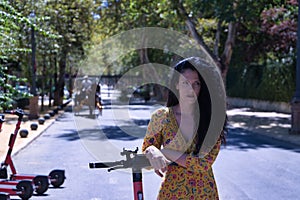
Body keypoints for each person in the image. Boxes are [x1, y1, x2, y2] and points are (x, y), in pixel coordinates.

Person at [142, 57, 227, 199]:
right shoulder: (161, 118)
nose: (191, 89)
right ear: (176, 84)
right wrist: (152, 151)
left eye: (196, 83)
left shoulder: (212, 120)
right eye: (185, 83)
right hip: (171, 194)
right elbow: (147, 158)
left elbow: (202, 163)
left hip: (204, 194)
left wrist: (165, 152)